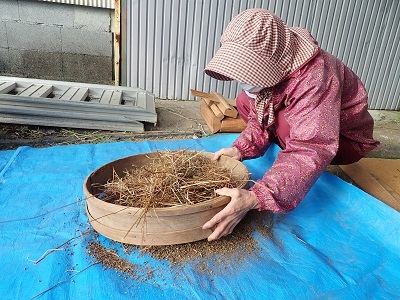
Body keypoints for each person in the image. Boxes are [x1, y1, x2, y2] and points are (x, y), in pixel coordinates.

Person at [202, 9, 380, 241]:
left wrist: (257, 196)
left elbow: (313, 144)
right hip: (309, 128)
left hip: (343, 140)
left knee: (286, 124)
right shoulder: (280, 58)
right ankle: (290, 161)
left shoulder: (316, 76)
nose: (243, 78)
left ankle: (292, 167)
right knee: (245, 102)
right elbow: (261, 114)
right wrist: (241, 149)